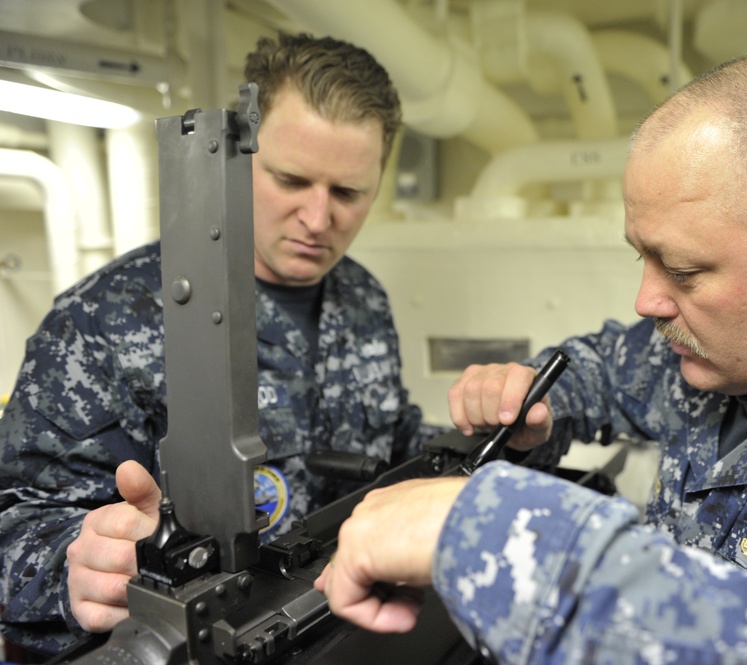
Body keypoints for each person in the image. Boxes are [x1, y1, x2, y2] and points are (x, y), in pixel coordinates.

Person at [315, 50, 747, 663]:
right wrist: (534, 399)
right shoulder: (721, 347)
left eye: (683, 270)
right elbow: (602, 366)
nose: (647, 300)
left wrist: (490, 530)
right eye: (641, 257)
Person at [0, 32, 445, 659]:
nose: (318, 220)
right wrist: (71, 563)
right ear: (238, 157)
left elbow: (389, 440)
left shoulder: (363, 298)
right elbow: (15, 520)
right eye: (291, 180)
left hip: (342, 632)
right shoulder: (98, 322)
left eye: (348, 193)